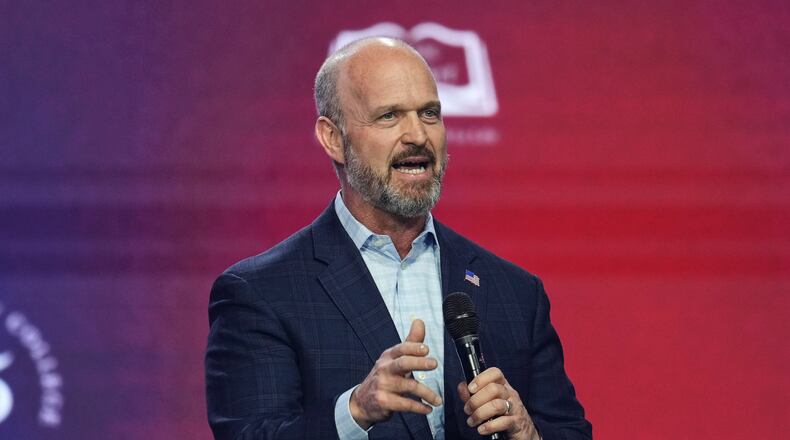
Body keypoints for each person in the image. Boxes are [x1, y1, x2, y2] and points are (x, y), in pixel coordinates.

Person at [205, 37, 592, 440]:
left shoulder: (515, 291)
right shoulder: (261, 292)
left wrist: (529, 433)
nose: (418, 136)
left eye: (429, 113)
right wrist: (355, 412)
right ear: (333, 138)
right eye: (389, 116)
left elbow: (570, 431)